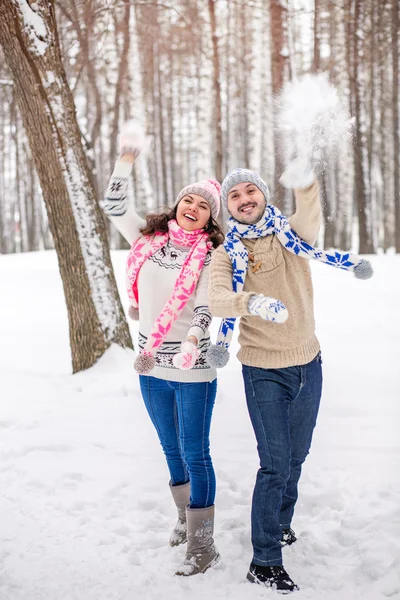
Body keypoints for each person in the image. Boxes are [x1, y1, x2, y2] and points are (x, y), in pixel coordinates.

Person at [207, 167, 372, 593]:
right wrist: (253, 302)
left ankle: (280, 523)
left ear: (263, 195)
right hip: (263, 370)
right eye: (235, 196)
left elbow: (311, 209)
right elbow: (219, 298)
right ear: (228, 207)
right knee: (275, 464)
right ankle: (263, 561)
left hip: (309, 362)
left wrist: (304, 178)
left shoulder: (291, 235)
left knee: (297, 458)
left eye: (251, 191)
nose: (244, 199)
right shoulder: (227, 252)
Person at [102, 122, 224, 576]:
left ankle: (203, 544)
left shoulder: (213, 255)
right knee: (169, 447)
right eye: (188, 199)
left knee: (196, 452)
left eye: (203, 206)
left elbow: (210, 305)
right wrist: (127, 158)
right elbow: (114, 204)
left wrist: (195, 340)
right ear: (178, 204)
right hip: (149, 362)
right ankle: (183, 518)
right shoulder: (148, 242)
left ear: (211, 219)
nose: (193, 207)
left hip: (192, 365)